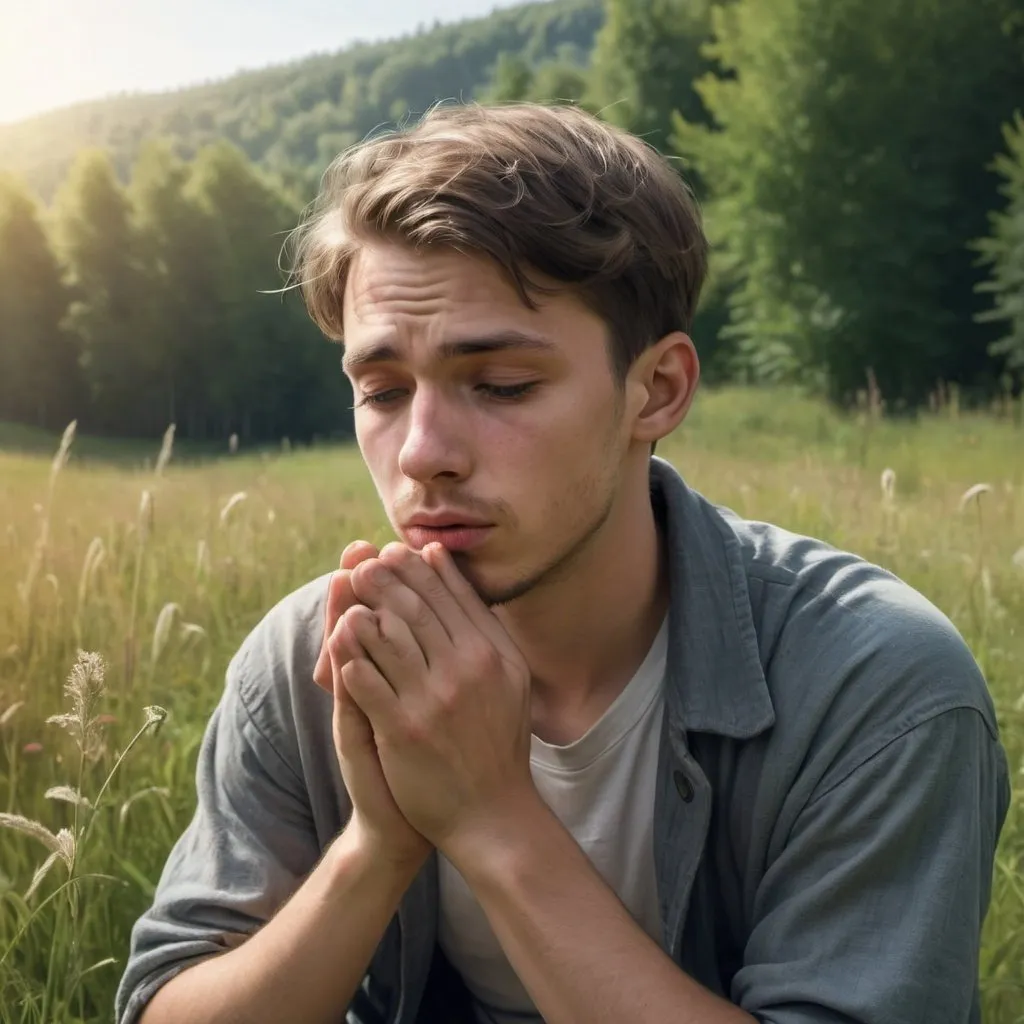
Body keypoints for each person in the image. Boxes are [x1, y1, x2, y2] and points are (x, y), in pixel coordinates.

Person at [115, 102, 1010, 1024]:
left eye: (501, 385)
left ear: (656, 390)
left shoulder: (879, 688)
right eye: (381, 390)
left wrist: (491, 819)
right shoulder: (311, 662)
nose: (423, 452)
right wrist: (376, 847)